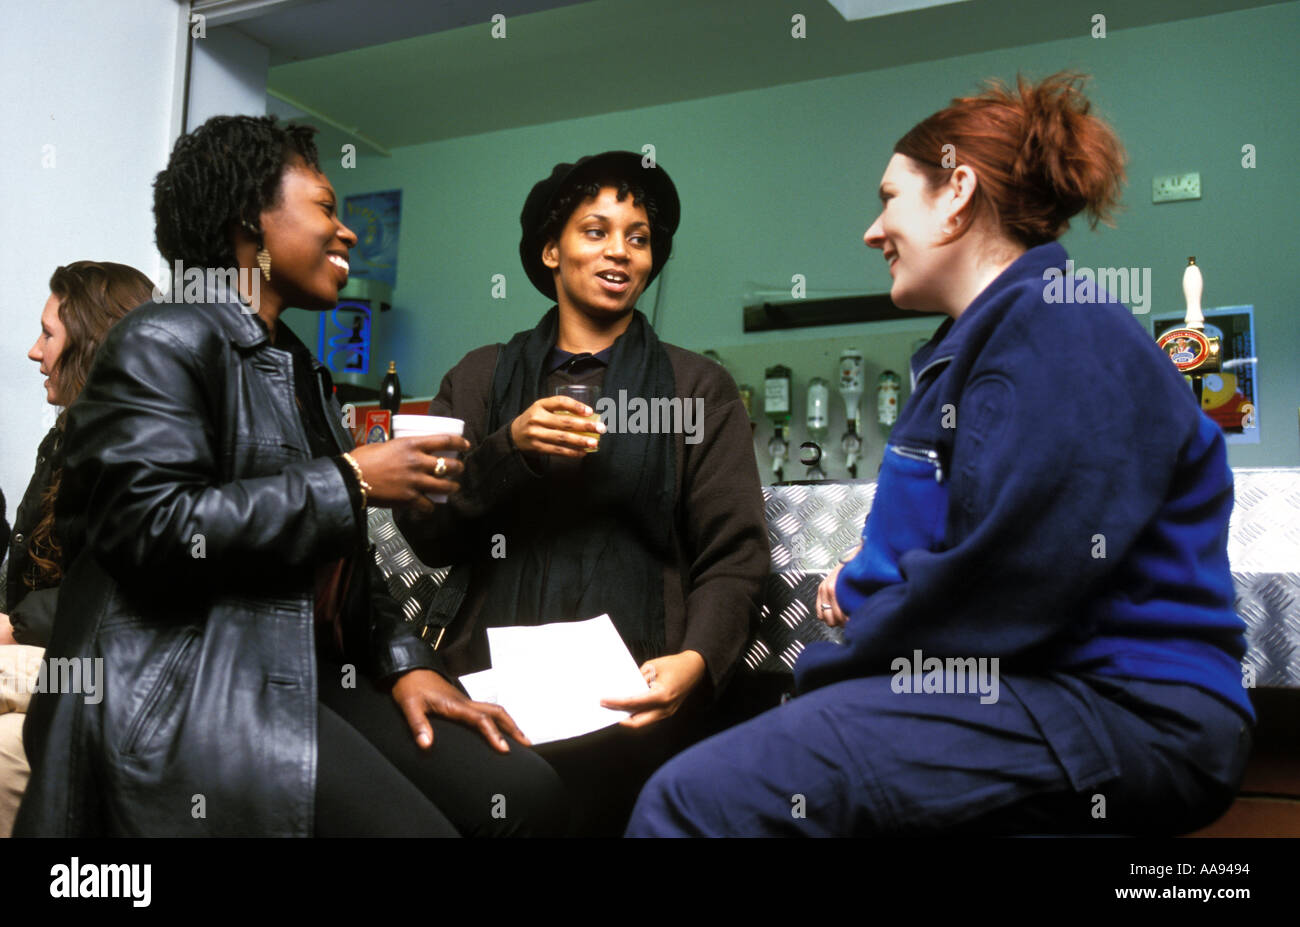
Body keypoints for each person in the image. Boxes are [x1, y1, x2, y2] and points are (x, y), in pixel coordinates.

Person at [626, 73, 1254, 837]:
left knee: (695, 802)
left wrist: (833, 669)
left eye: (890, 197)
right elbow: (959, 535)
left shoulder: (1060, 330)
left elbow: (1006, 582)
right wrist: (870, 576)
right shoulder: (970, 351)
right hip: (1045, 694)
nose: (871, 229)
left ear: (957, 192)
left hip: (1122, 705)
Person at [15, 115, 563, 836]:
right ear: (251, 217)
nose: (349, 233)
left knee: (527, 792)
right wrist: (351, 480)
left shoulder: (296, 365)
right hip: (194, 688)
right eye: (327, 208)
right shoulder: (161, 338)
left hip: (296, 664)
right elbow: (146, 530)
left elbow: (335, 569)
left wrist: (405, 662)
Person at [398, 151, 768, 835]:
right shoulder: (480, 379)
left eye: (638, 237)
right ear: (550, 250)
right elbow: (428, 530)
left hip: (638, 688)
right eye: (595, 231)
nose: (620, 252)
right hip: (487, 688)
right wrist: (509, 449)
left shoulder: (696, 389)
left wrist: (694, 661)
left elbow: (735, 554)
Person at [0, 260, 154, 838]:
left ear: (90, 343)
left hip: (106, 665)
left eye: (48, 335)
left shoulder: (138, 446)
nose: (34, 352)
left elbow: (119, 585)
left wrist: (15, 624)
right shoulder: (66, 433)